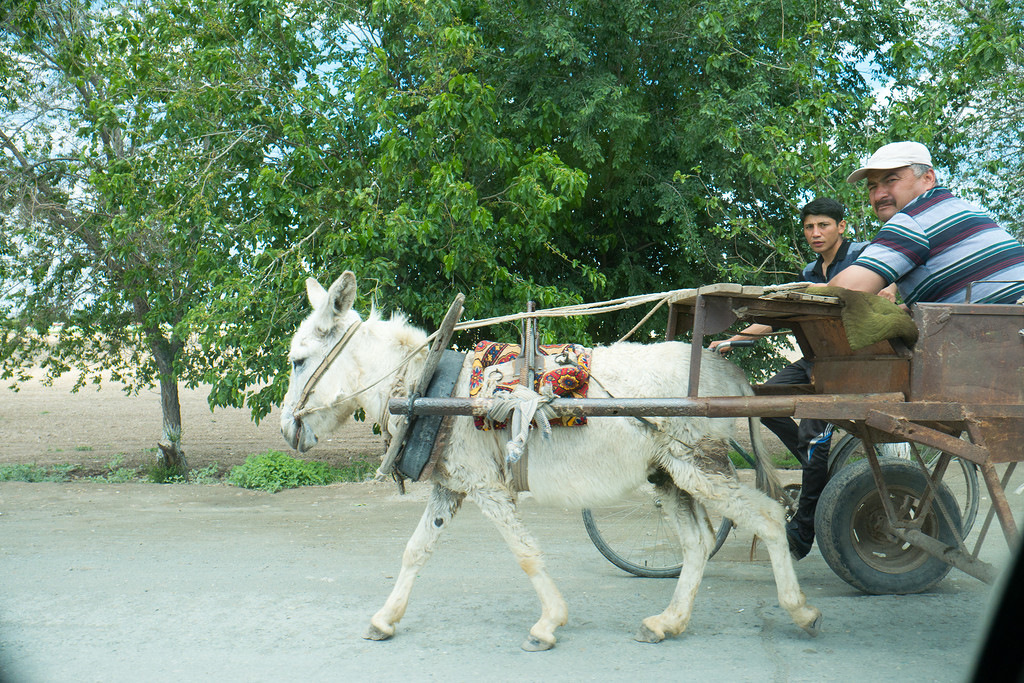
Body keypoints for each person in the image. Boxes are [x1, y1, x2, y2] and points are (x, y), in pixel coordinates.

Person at [710, 197, 883, 560]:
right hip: (815, 359)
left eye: (823, 225)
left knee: (811, 434)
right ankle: (815, 463)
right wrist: (735, 340)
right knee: (763, 401)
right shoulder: (809, 272)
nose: (815, 233)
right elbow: (780, 319)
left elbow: (888, 292)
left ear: (841, 226)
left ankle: (803, 531)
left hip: (852, 364)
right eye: (809, 227)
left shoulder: (864, 257)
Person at [831, 140, 1024, 305]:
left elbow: (847, 291)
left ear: (928, 178)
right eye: (873, 186)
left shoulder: (912, 220)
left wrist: (811, 288)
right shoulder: (959, 208)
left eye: (891, 180)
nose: (879, 194)